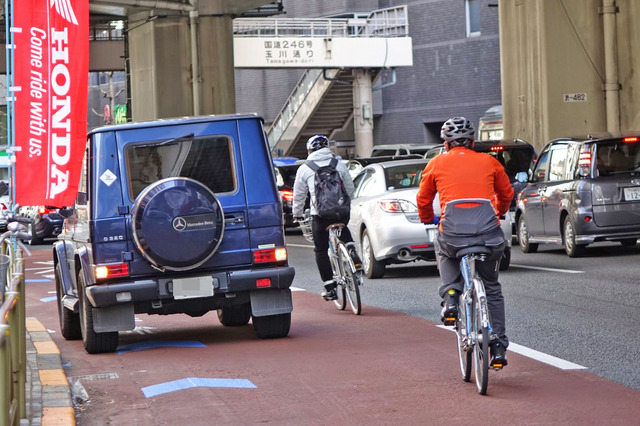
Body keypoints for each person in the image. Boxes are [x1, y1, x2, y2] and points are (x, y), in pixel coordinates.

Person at [416, 117, 514, 367]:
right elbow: (506, 194)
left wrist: (428, 219)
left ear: (446, 144)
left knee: (444, 249)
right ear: (472, 142)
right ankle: (499, 346)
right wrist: (500, 211)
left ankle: (451, 295)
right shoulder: (490, 161)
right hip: (488, 236)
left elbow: (423, 198)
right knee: (491, 287)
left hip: (453, 235)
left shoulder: (436, 163)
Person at [292, 135, 362, 301]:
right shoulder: (338, 163)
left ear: (310, 150)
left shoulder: (305, 168)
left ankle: (330, 287)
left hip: (321, 215)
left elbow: (299, 195)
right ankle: (351, 249)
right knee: (342, 227)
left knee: (321, 250)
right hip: (341, 211)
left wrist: (297, 213)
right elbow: (349, 187)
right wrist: (346, 202)